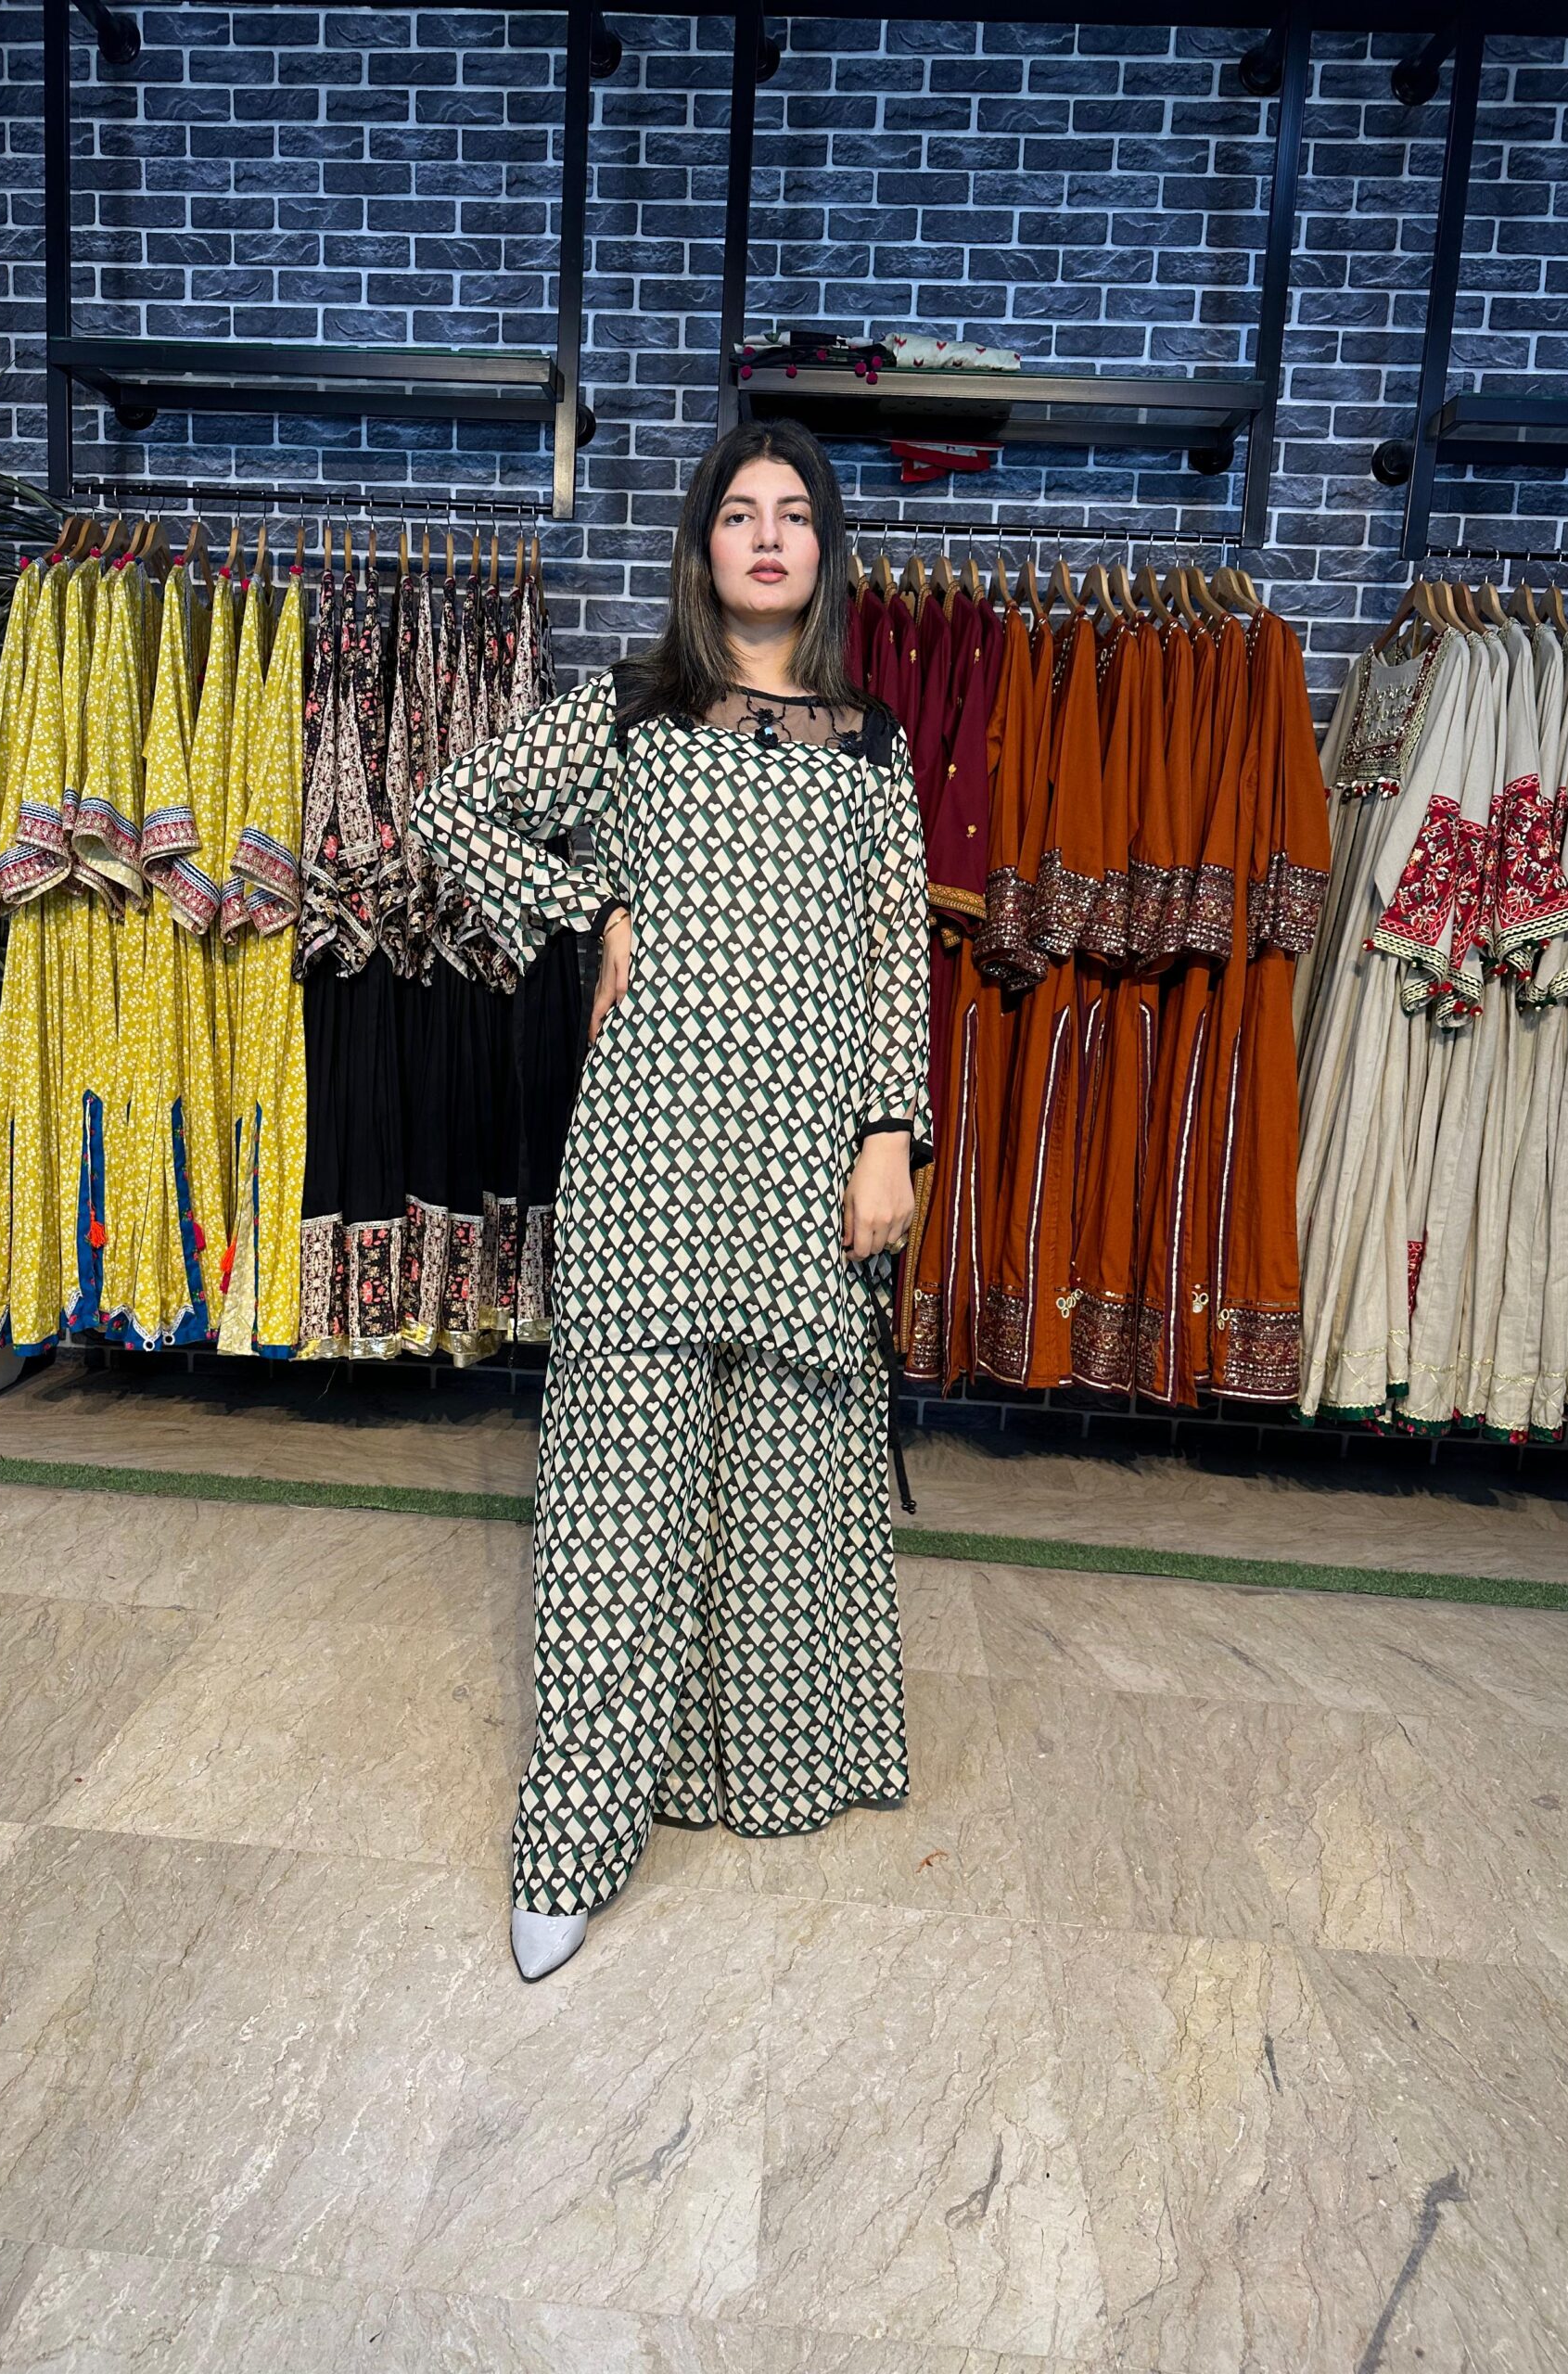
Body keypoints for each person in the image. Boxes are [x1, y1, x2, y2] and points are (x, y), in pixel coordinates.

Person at [410, 418, 934, 1981]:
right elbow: (446, 812)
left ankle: (748, 1768)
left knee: (782, 1482)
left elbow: (892, 959)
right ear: (704, 545)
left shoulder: (874, 746)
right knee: (614, 1505)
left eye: (794, 515)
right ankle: (570, 1839)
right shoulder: (631, 713)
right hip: (648, 1162)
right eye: (739, 513)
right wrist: (593, 904)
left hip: (805, 1169)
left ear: (826, 550)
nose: (767, 537)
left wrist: (889, 1139)